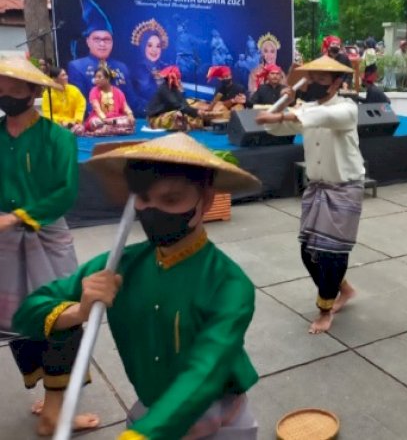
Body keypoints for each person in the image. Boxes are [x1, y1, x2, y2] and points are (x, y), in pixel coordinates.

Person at [13, 133, 263, 439]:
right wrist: (79, 311)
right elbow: (27, 313)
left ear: (206, 200)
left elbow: (205, 372)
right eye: (144, 199)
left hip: (217, 416)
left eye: (171, 200)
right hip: (150, 409)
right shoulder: (119, 266)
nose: (153, 210)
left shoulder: (229, 285)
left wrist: (142, 435)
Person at [0, 56, 98, 436]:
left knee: (63, 315)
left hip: (46, 238)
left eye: (12, 85)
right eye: (1, 85)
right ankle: (53, 399)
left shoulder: (59, 138)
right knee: (18, 323)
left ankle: (55, 409)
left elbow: (65, 193)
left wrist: (17, 217)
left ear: (34, 91)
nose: (4, 91)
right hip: (5, 246)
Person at [256, 56, 364, 335]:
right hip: (317, 187)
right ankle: (345, 290)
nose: (313, 84)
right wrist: (285, 99)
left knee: (332, 254)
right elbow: (272, 127)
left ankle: (325, 310)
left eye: (320, 80)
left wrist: (284, 112)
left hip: (345, 187)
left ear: (337, 82)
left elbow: (323, 117)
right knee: (308, 252)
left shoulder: (347, 108)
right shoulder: (306, 108)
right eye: (310, 79)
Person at [67, 0, 135, 107]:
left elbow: (132, 100)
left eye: (107, 39)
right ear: (88, 41)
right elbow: (80, 103)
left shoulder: (121, 67)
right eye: (97, 39)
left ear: (112, 43)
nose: (102, 44)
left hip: (122, 119)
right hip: (95, 120)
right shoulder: (76, 67)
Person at [77, 66, 135, 137]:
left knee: (129, 120)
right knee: (95, 123)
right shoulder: (94, 91)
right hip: (100, 118)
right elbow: (97, 109)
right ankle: (117, 129)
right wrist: (105, 120)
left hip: (115, 118)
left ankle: (107, 130)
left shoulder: (118, 91)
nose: (96, 80)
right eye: (95, 77)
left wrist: (130, 114)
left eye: (99, 77)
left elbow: (125, 106)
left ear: (108, 78)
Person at [130, 19, 169, 117]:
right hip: (144, 116)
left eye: (158, 46)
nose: (154, 50)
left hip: (166, 115)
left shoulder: (167, 68)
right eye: (149, 45)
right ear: (143, 46)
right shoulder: (136, 70)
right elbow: (135, 98)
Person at [146, 66, 204, 131]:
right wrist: (194, 112)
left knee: (191, 116)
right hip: (156, 117)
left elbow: (184, 104)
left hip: (169, 113)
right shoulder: (164, 88)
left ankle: (187, 125)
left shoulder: (176, 88)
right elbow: (176, 104)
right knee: (177, 115)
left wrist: (196, 112)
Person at [41, 66, 86, 132]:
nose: (66, 77)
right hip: (58, 124)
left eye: (66, 74)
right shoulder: (47, 93)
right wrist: (62, 121)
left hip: (74, 123)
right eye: (63, 75)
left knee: (79, 129)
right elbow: (47, 113)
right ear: (54, 78)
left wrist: (76, 120)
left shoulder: (74, 89)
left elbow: (81, 106)